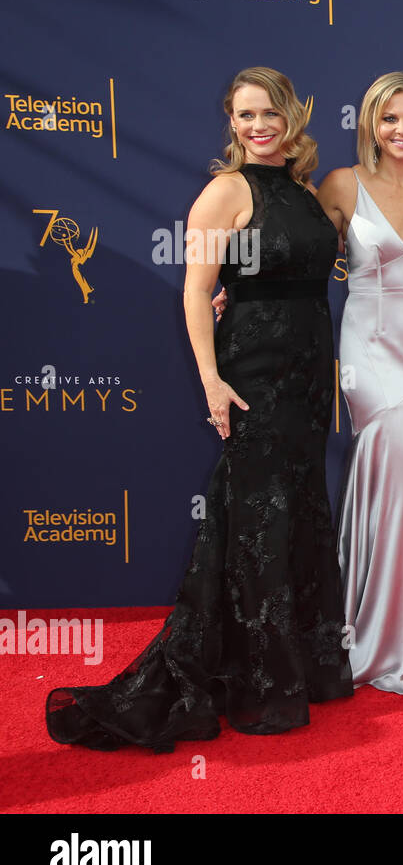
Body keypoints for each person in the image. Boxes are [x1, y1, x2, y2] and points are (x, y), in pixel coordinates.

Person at [46, 67, 353, 752]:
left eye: (269, 112)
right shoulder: (225, 191)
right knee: (256, 519)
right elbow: (196, 292)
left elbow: (299, 278)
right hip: (254, 372)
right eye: (244, 116)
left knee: (299, 509)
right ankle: (257, 681)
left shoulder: (304, 191)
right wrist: (212, 380)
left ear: (292, 115)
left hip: (307, 375)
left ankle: (300, 667)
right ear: (232, 124)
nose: (258, 126)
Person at [314, 72, 403, 694]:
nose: (402, 131)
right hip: (371, 352)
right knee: (396, 473)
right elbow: (296, 255)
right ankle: (375, 638)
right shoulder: (343, 185)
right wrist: (232, 290)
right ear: (369, 124)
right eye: (389, 119)